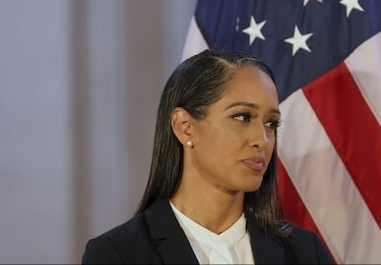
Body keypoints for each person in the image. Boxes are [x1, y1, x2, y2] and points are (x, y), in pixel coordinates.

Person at [82, 50, 334, 264]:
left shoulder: (304, 253)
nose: (263, 139)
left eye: (271, 123)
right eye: (242, 117)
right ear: (185, 126)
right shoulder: (119, 255)